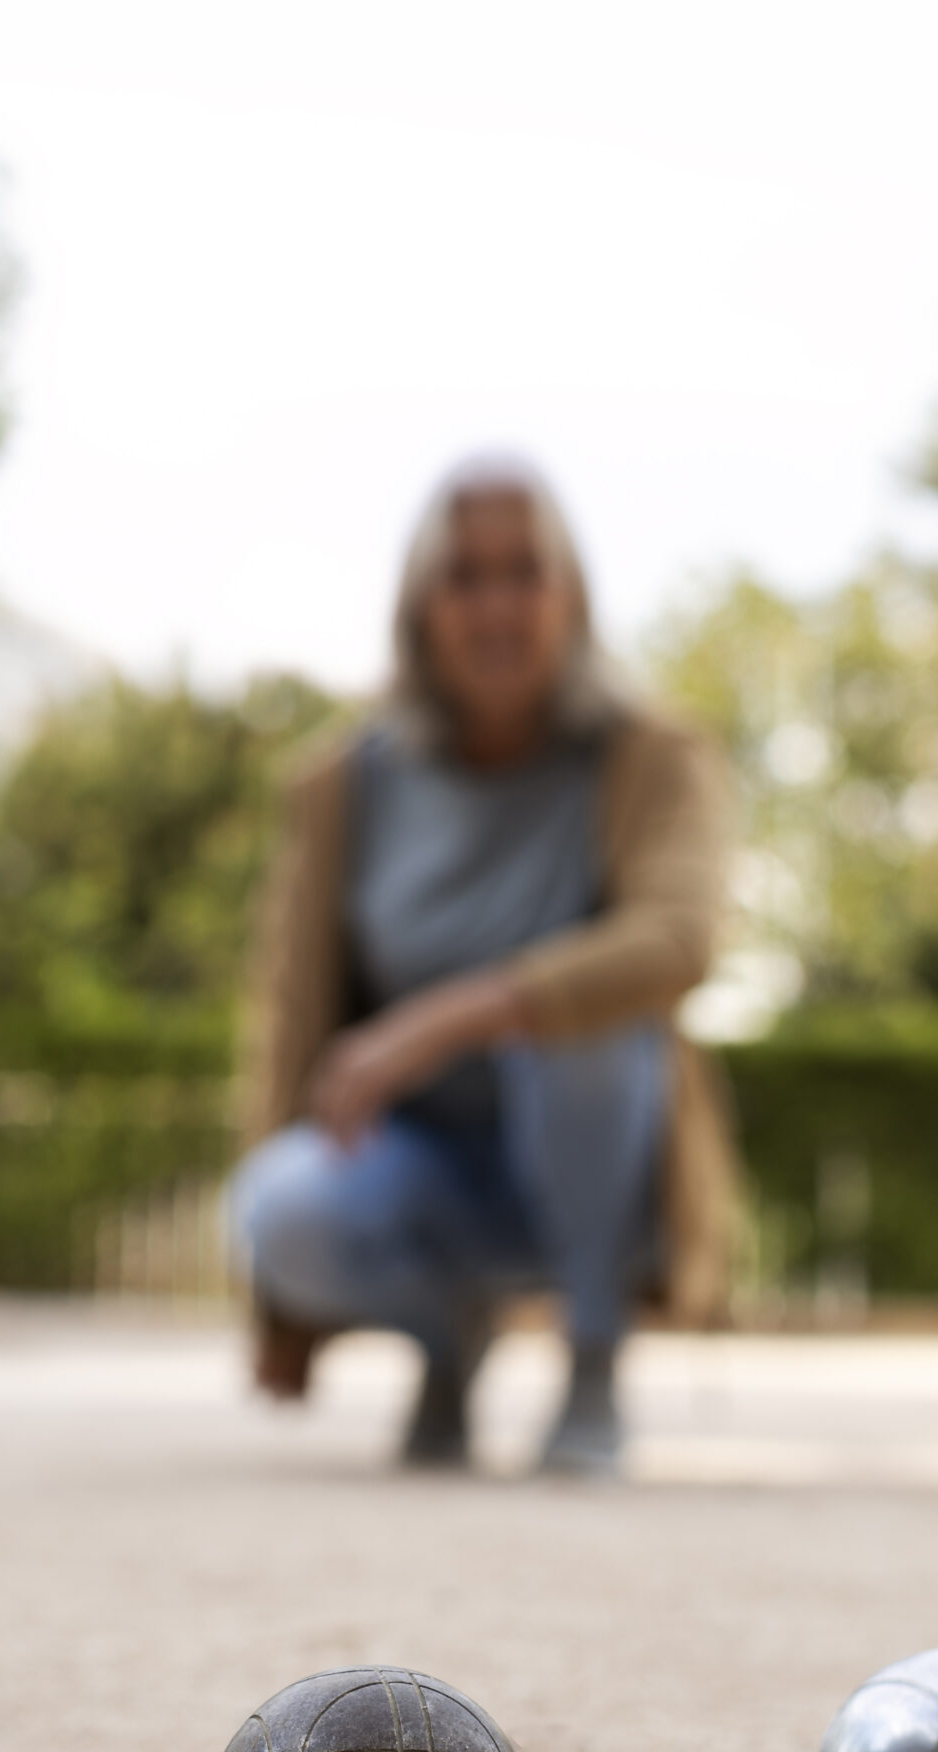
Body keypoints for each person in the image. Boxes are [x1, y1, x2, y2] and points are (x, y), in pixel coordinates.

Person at [233, 459, 735, 1474]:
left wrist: (445, 1018)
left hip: (590, 1163)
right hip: (417, 1167)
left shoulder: (653, 754)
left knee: (585, 1027)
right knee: (276, 1208)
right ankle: (444, 1343)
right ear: (421, 603)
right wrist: (275, 1306)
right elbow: (288, 1020)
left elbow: (678, 939)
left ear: (572, 594)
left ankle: (593, 1350)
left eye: (525, 571)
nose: (497, 604)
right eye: (466, 575)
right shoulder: (346, 781)